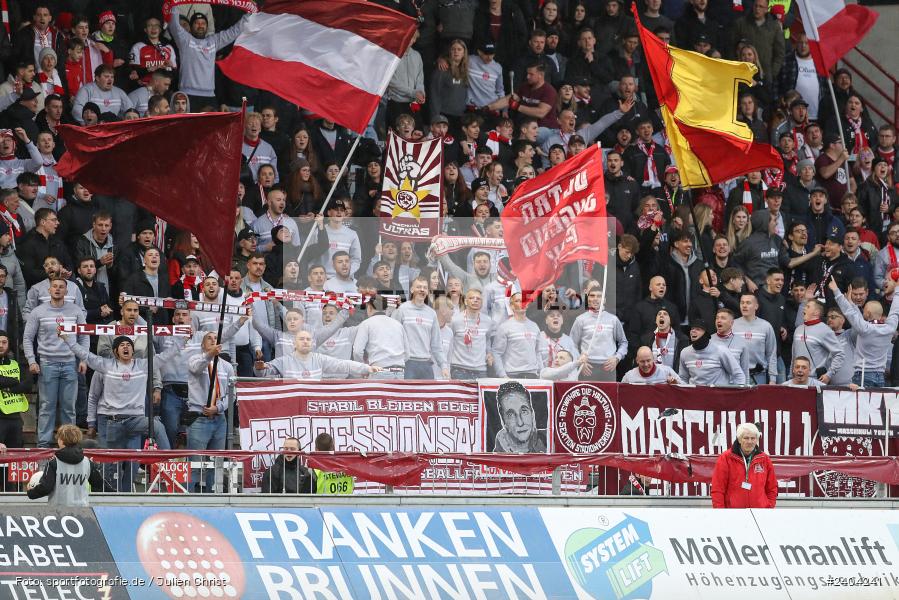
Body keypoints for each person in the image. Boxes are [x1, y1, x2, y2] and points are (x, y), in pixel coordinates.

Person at [23, 278, 87, 448]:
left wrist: (83, 359)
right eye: (55, 287)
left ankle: (70, 445)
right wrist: (31, 360)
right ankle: (43, 445)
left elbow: (84, 335)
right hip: (47, 364)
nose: (58, 289)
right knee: (46, 407)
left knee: (69, 408)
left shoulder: (75, 311)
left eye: (61, 287)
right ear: (49, 290)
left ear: (67, 291)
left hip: (69, 364)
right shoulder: (38, 311)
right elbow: (28, 338)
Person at [831, 277, 899, 388]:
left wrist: (836, 291)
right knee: (877, 406)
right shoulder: (890, 328)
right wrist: (897, 290)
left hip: (863, 376)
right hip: (880, 376)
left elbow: (850, 314)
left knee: (860, 405)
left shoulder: (865, 328)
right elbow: (895, 311)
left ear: (867, 314)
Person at [26, 424, 103, 507]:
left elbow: (46, 487)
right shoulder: (87, 462)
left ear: (61, 441)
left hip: (58, 512)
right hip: (82, 510)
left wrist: (31, 492)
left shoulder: (53, 463)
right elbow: (99, 484)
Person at [255, 330, 379, 380]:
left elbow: (343, 365)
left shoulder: (319, 359)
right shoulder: (283, 361)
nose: (305, 341)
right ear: (294, 343)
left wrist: (367, 368)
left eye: (308, 339)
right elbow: (263, 372)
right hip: (291, 405)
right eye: (301, 339)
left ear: (312, 343)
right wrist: (259, 368)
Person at [710, 422, 777, 509]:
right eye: (746, 438)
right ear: (739, 439)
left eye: (753, 438)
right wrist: (721, 513)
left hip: (760, 513)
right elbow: (718, 489)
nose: (750, 442)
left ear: (757, 440)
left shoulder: (764, 459)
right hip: (733, 514)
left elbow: (772, 488)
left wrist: (769, 507)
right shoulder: (726, 458)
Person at [392, 276, 448, 379]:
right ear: (412, 289)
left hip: (426, 364)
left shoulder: (431, 314)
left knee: (428, 395)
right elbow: (393, 337)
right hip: (406, 364)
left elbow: (436, 343)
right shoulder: (401, 310)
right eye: (418, 287)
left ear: (427, 291)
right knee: (407, 395)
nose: (422, 290)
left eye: (425, 287)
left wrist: (444, 366)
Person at [569, 286, 627, 381]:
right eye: (592, 296)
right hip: (587, 368)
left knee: (608, 396)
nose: (595, 298)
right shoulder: (580, 320)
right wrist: (579, 361)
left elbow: (623, 342)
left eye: (599, 296)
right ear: (588, 299)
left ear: (604, 300)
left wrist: (617, 358)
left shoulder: (613, 319)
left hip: (608, 367)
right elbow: (571, 344)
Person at [792, 286, 845, 385]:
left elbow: (839, 354)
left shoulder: (825, 330)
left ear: (816, 312)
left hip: (815, 380)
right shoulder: (798, 329)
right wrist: (790, 376)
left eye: (808, 307)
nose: (804, 308)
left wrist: (829, 374)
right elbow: (794, 355)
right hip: (796, 379)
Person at [352, 295, 408, 379]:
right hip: (399, 371)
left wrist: (363, 369)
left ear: (369, 308)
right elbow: (407, 353)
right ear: (386, 309)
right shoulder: (398, 324)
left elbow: (357, 351)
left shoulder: (366, 324)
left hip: (378, 370)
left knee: (376, 393)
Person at [678, 319, 746, 385]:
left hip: (718, 395)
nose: (693, 331)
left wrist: (735, 394)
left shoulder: (721, 350)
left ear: (706, 334)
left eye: (698, 329)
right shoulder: (685, 352)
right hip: (695, 395)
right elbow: (683, 378)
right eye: (692, 329)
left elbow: (738, 375)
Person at [492, 381, 546, 453]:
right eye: (511, 415)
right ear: (503, 420)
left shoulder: (550, 440)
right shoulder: (494, 460)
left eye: (524, 411)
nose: (520, 423)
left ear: (532, 414)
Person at [0, 330, 29, 449]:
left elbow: (27, 385)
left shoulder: (15, 363)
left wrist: (7, 388)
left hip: (16, 418)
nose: (1, 345)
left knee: (15, 458)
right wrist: (14, 381)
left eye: (4, 342)